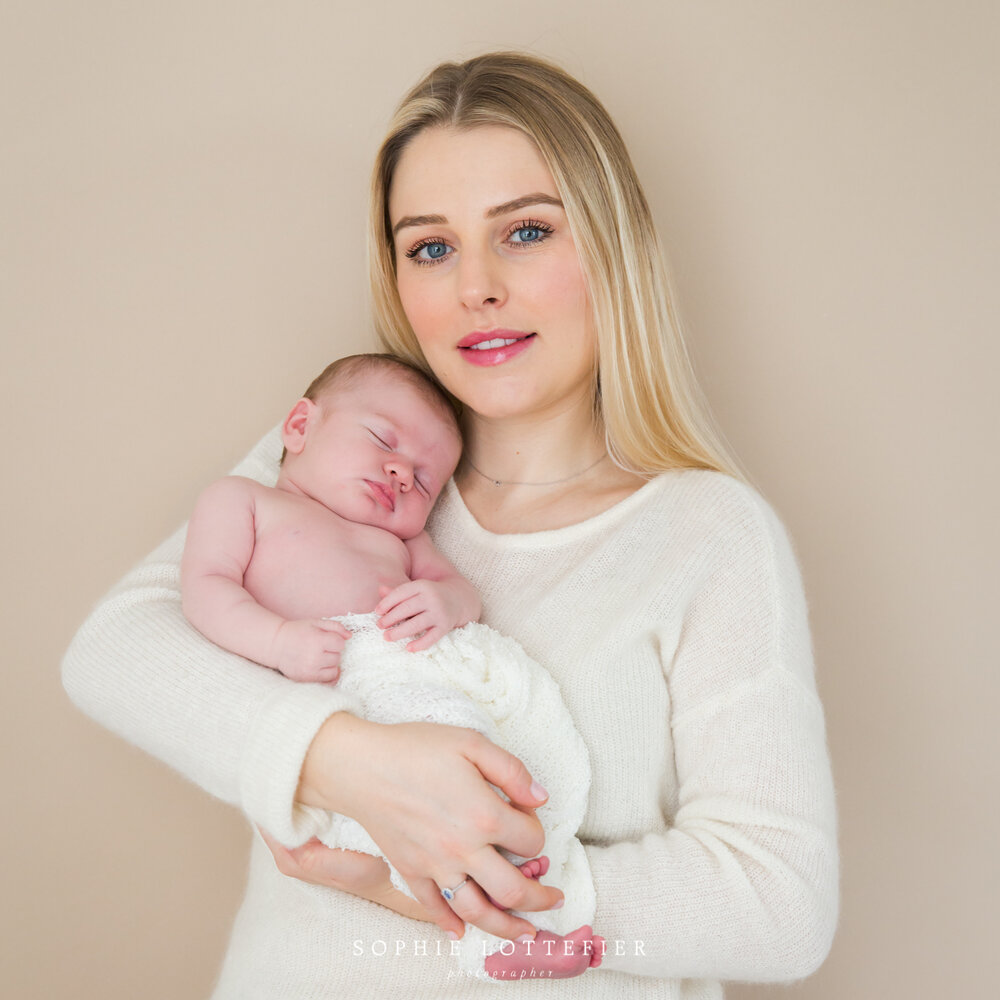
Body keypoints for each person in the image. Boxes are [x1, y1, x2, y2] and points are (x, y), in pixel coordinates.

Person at [62, 51, 838, 998]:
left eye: (526, 232)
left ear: (613, 246)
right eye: (431, 246)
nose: (476, 287)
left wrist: (439, 886)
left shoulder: (707, 534)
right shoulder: (349, 460)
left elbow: (780, 905)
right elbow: (112, 651)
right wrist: (346, 764)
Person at [180, 351, 603, 979]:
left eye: (426, 480)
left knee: (484, 754)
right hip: (341, 691)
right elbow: (204, 590)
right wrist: (277, 642)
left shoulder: (403, 540)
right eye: (382, 440)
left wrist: (440, 600)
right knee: (402, 814)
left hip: (410, 674)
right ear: (299, 428)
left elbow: (463, 594)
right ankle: (497, 937)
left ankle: (519, 889)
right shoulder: (243, 502)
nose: (402, 473)